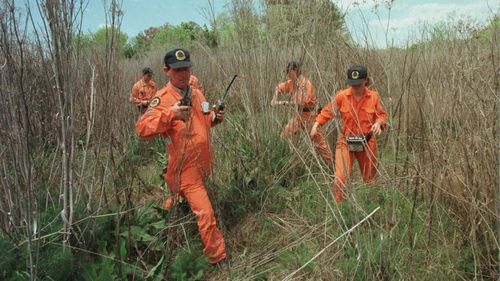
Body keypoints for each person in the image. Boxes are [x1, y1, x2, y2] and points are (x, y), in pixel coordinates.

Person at [135, 48, 227, 265]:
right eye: (178, 70)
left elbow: (205, 116)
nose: (184, 74)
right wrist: (171, 114)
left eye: (186, 68)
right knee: (205, 213)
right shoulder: (162, 99)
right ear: (166, 71)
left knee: (181, 197)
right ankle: (218, 257)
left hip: (204, 163)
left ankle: (165, 213)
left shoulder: (196, 92)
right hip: (185, 170)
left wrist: (215, 117)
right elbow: (142, 129)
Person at [310, 65, 387, 203]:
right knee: (340, 178)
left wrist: (378, 123)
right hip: (346, 142)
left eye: (358, 84)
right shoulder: (342, 96)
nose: (355, 87)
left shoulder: (373, 97)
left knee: (370, 179)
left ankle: (370, 207)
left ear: (366, 81)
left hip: (367, 143)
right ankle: (340, 209)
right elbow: (327, 111)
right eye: (353, 84)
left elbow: (381, 115)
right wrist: (316, 124)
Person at [272, 61, 333, 169]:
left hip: (311, 116)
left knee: (320, 143)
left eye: (288, 71)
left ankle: (332, 167)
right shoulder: (291, 82)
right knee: (283, 136)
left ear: (295, 70)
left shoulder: (306, 84)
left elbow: (300, 102)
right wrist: (274, 98)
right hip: (299, 116)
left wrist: (282, 103)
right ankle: (282, 162)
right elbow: (278, 87)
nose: (287, 74)